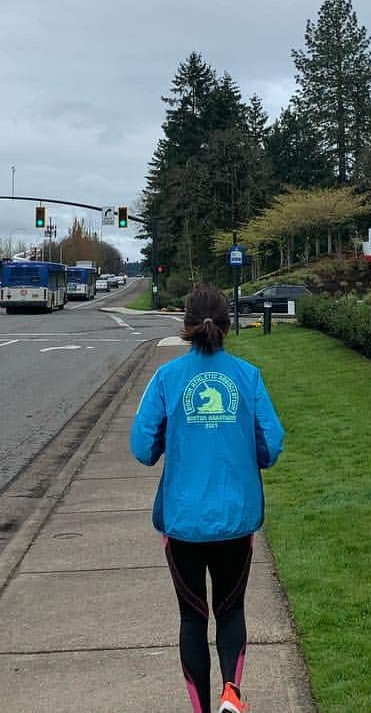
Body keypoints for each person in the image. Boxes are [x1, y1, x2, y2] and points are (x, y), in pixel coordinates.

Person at [131, 284, 285, 713]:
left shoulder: (166, 379)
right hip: (235, 519)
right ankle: (231, 694)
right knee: (231, 610)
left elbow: (143, 449)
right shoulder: (247, 376)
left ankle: (201, 708)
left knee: (193, 617)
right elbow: (270, 447)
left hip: (183, 522)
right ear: (227, 324)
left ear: (185, 325)